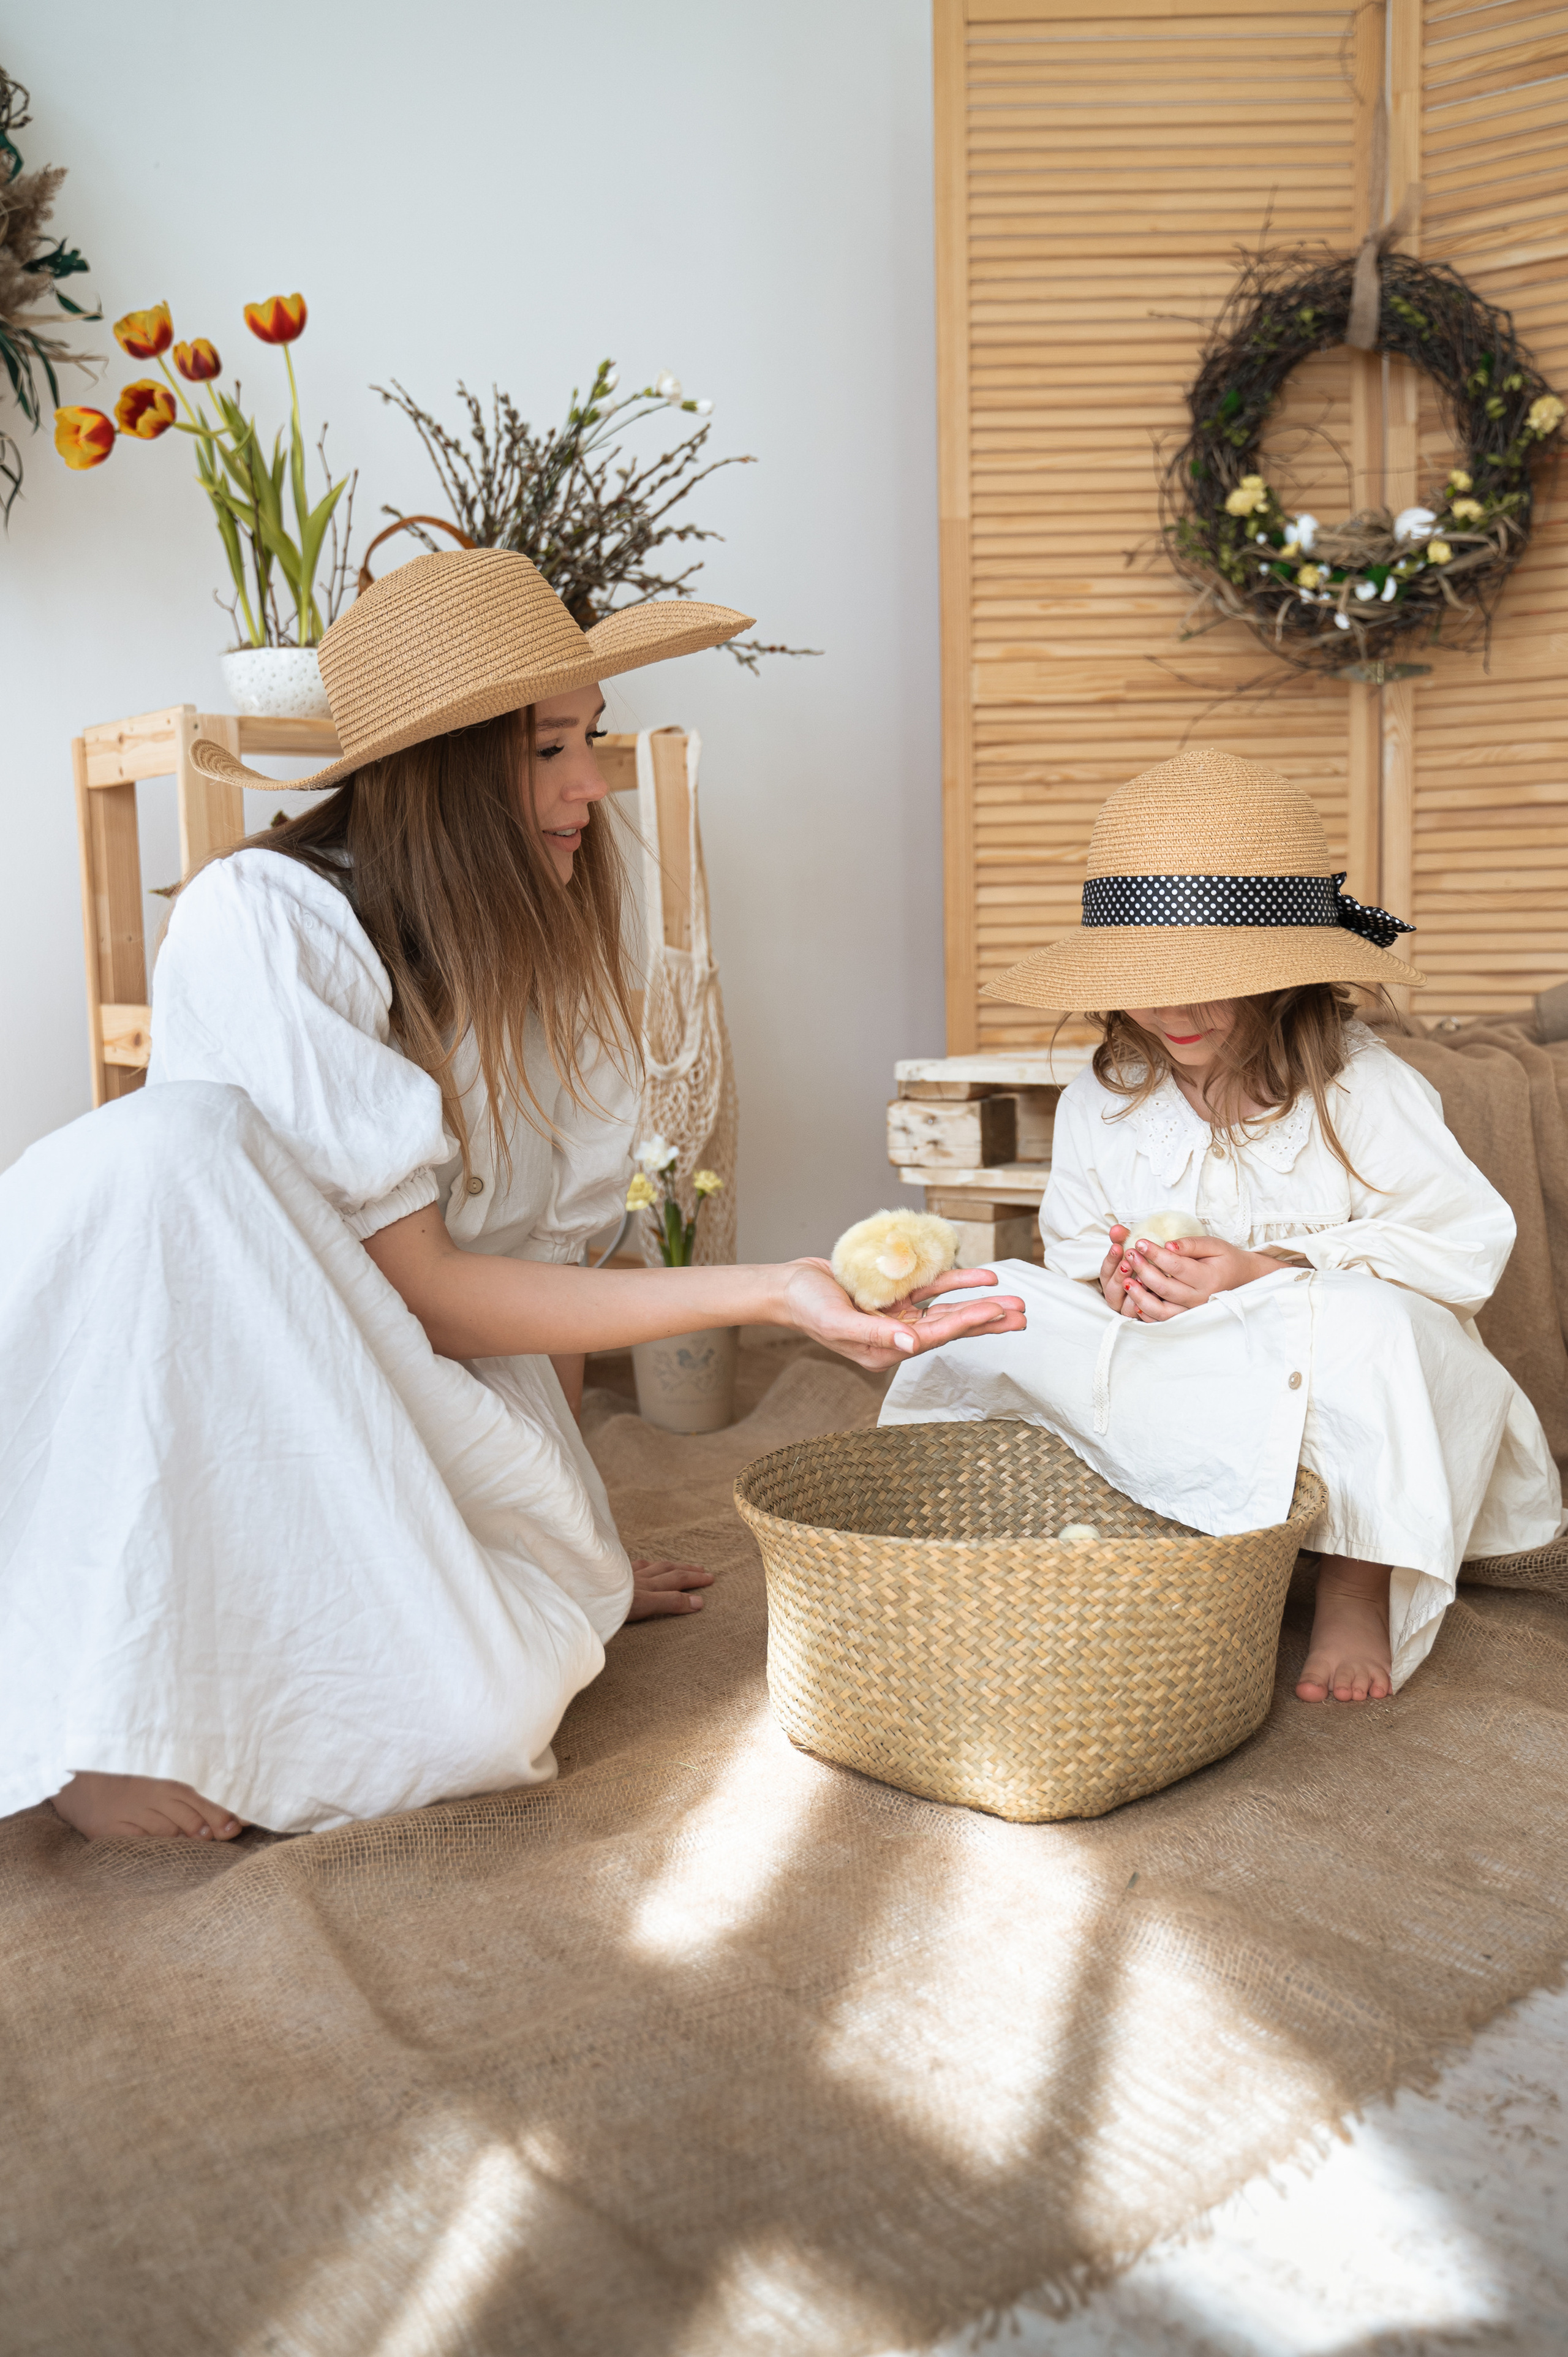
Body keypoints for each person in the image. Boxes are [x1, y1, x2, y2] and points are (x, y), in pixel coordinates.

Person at [1, 550, 1025, 1844]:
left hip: (386, 1364)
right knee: (178, 1139)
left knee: (501, 1695)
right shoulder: (262, 921)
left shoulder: (531, 952)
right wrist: (772, 1291)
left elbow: (503, 1299)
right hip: (217, 1362)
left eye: (587, 741)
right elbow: (428, 1299)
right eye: (549, 749)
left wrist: (568, 1560)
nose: (590, 784)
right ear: (443, 773)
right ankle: (85, 1712)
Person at [882, 747, 1562, 1704]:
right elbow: (1073, 1236)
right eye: (1147, 975)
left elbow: (1461, 1244)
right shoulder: (1106, 1096)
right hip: (1167, 1352)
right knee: (995, 1298)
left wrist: (1268, 1269)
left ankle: (1354, 1583)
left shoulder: (1364, 1088)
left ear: (1284, 974)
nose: (1172, 1008)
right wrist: (1112, 1278)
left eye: (1210, 975)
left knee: (1379, 1331)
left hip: (1314, 1354)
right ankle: (1046, 1521)